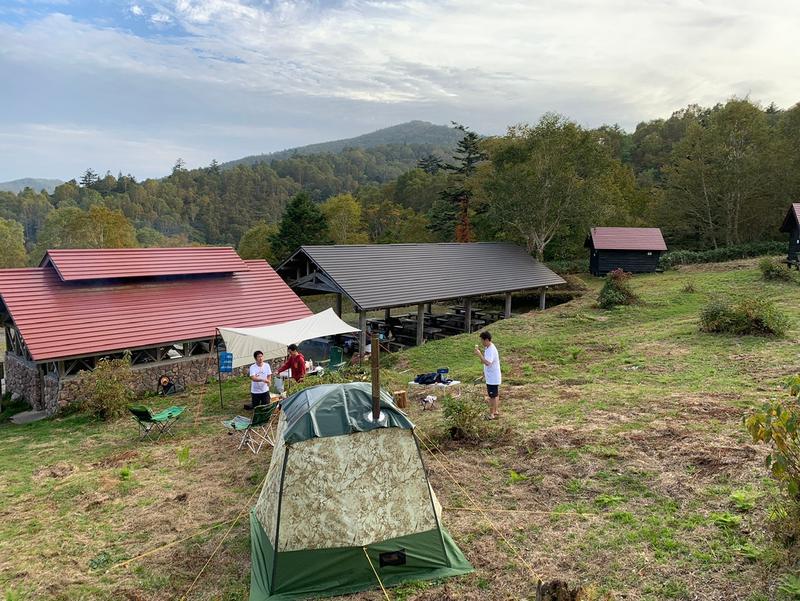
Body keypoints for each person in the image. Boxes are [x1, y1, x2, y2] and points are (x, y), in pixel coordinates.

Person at [474, 331, 501, 419]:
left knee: (492, 396)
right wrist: (483, 375)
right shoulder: (488, 348)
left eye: (482, 340)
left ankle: (491, 414)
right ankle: (495, 411)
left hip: (493, 377)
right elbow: (484, 362)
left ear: (486, 340)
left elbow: (488, 363)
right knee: (495, 394)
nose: (481, 342)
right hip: (491, 376)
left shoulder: (491, 349)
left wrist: (479, 354)